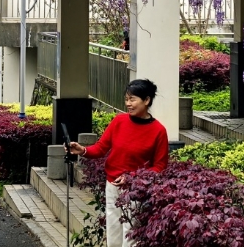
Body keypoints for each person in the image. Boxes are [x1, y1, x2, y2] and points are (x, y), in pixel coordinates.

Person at [66, 78, 168, 247]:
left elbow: (159, 167)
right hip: (112, 185)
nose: (128, 103)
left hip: (136, 191)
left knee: (131, 235)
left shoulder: (159, 131)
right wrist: (82, 150)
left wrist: (134, 178)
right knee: (113, 231)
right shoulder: (119, 121)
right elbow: (100, 148)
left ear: (147, 100)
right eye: (126, 99)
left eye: (132, 99)